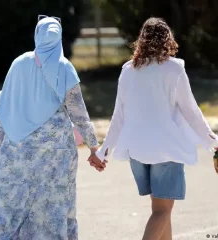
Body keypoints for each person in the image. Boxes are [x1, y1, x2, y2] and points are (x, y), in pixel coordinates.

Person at [0, 16, 100, 240]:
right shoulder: (64, 67)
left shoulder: (19, 63)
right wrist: (94, 146)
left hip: (19, 149)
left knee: (12, 202)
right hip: (56, 155)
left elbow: (6, 106)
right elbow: (79, 113)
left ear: (37, 35)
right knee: (52, 205)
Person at [89, 18, 218, 240]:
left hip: (137, 153)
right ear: (167, 40)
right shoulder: (174, 69)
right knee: (162, 210)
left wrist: (103, 151)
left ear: (142, 40)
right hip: (165, 151)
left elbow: (119, 116)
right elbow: (192, 112)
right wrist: (215, 144)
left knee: (159, 210)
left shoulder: (128, 70)